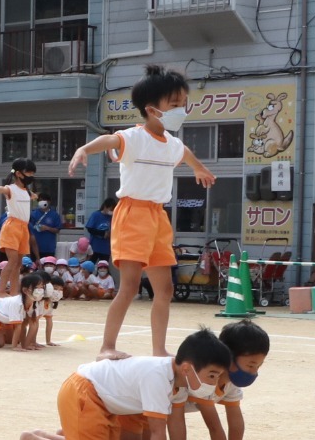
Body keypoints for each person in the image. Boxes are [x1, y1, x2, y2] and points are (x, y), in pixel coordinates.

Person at [68, 66, 217, 359]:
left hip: (158, 217)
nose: (181, 110)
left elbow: (184, 152)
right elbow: (111, 140)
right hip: (132, 214)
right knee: (130, 285)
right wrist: (84, 149)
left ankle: (159, 350)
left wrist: (198, 167)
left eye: (183, 104)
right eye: (174, 105)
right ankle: (106, 347)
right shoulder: (134, 138)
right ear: (151, 109)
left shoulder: (173, 144)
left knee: (165, 290)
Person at [15, 328, 235, 440]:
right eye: (212, 375)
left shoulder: (177, 380)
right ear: (187, 369)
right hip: (84, 392)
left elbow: (176, 425)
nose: (214, 382)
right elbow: (159, 430)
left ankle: (52, 437)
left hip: (104, 400)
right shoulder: (158, 376)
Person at [168, 319, 267, 440]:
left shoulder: (230, 382)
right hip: (144, 408)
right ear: (230, 357)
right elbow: (214, 426)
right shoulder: (207, 379)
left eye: (258, 366)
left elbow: (235, 423)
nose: (254, 372)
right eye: (250, 365)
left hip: (165, 410)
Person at [0, 157, 37, 294]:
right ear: (18, 173)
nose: (31, 176)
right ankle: (1, 291)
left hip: (24, 227)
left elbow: (32, 196)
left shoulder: (27, 191)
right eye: (29, 173)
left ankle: (14, 292)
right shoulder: (11, 189)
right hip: (12, 226)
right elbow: (3, 189)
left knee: (18, 264)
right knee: (12, 261)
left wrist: (34, 196)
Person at [29, 261, 63, 347]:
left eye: (60, 289)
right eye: (55, 288)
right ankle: (31, 341)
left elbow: (49, 322)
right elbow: (34, 322)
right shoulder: (38, 301)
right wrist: (33, 342)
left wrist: (48, 341)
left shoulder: (50, 303)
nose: (57, 291)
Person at [31, 194, 64, 260]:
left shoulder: (54, 215)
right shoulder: (33, 214)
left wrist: (47, 228)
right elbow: (29, 228)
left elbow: (57, 230)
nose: (42, 201)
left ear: (49, 201)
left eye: (44, 200)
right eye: (40, 200)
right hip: (35, 247)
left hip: (49, 248)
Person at [84, 196, 115, 263]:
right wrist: (103, 233)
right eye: (110, 209)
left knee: (103, 267)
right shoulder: (96, 215)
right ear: (105, 206)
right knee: (89, 265)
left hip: (106, 248)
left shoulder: (112, 218)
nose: (111, 211)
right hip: (94, 247)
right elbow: (90, 229)